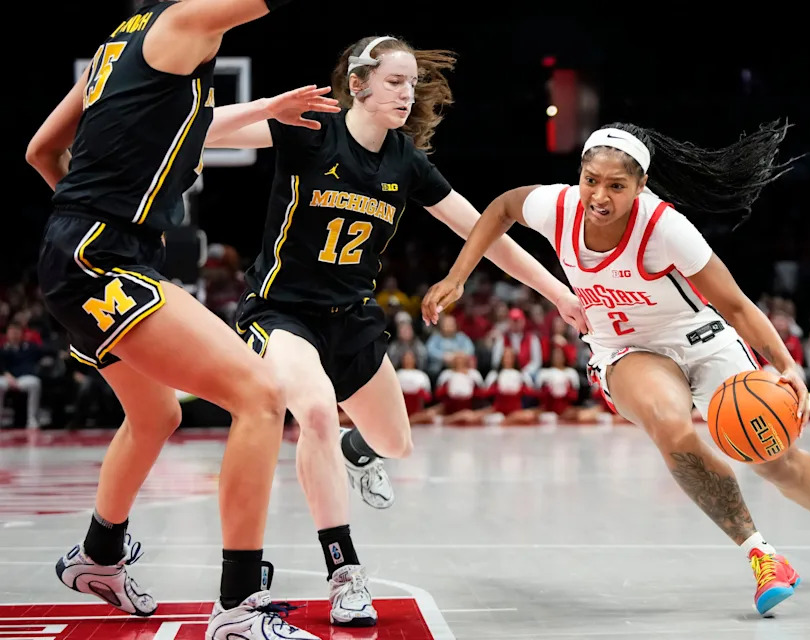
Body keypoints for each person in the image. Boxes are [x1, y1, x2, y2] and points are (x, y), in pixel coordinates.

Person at [203, 35, 587, 626]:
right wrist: (265, 107)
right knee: (316, 413)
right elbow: (200, 130)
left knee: (396, 442)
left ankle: (361, 453)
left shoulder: (405, 161)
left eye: (412, 83)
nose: (407, 93)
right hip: (281, 313)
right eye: (394, 82)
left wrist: (558, 291)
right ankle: (345, 573)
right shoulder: (309, 128)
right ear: (358, 84)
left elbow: (483, 233)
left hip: (352, 319)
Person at [420, 120, 810, 615]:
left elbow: (739, 306)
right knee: (669, 426)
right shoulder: (559, 206)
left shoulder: (665, 228)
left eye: (616, 186)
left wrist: (787, 364)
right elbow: (504, 205)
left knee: (772, 459)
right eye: (591, 179)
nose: (599, 195)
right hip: (624, 348)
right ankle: (762, 555)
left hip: (700, 340)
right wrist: (457, 275)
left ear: (640, 187)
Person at [25, 2, 338, 638]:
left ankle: (98, 555)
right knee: (259, 395)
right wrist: (102, 223)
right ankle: (238, 607)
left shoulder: (119, 50)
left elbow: (40, 151)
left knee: (156, 415)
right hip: (102, 257)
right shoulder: (184, 22)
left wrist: (266, 108)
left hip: (77, 252)